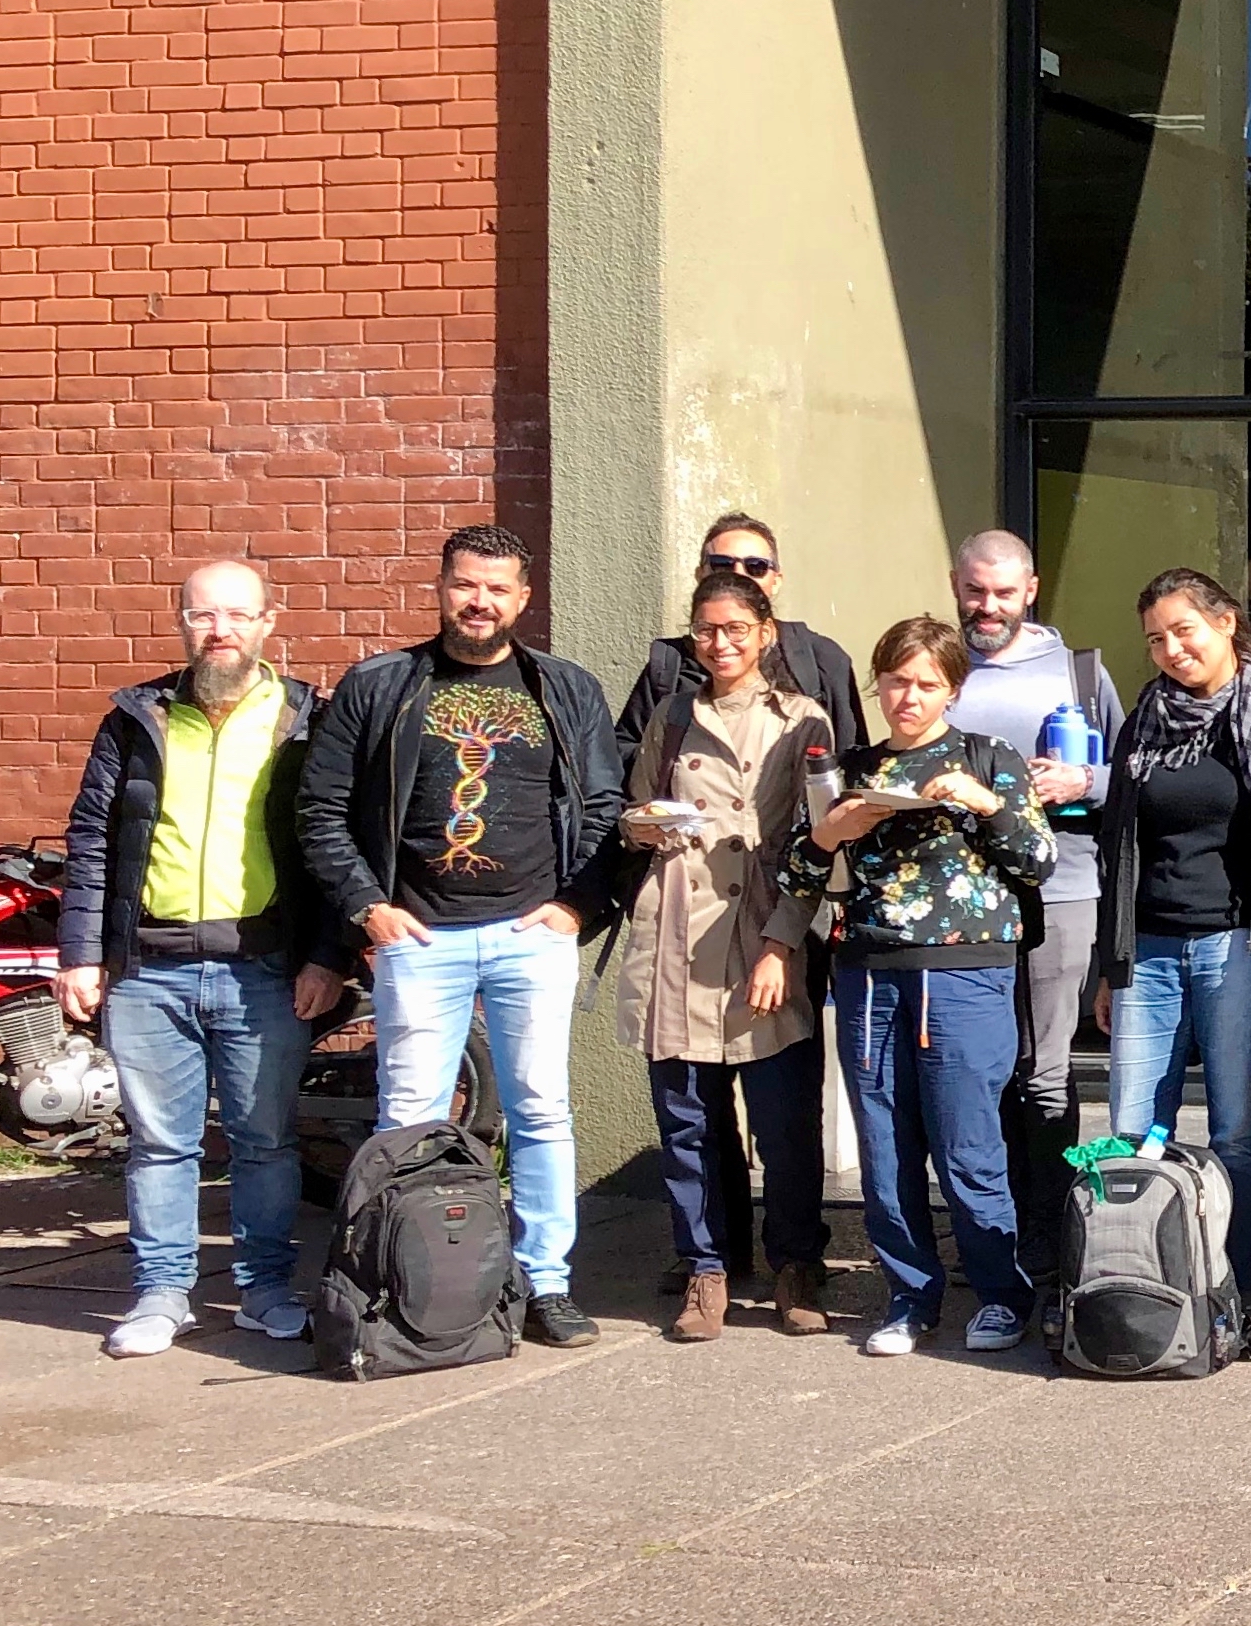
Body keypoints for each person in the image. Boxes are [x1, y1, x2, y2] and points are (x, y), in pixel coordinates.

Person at [298, 523, 623, 1350]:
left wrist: (579, 906)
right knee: (407, 1116)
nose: (479, 601)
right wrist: (368, 907)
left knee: (540, 1108)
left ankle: (545, 1279)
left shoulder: (564, 688)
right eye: (464, 584)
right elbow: (321, 809)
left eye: (496, 587)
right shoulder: (382, 685)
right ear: (440, 588)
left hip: (531, 932)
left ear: (523, 598)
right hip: (421, 936)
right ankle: (402, 1283)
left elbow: (604, 810)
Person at [60, 561, 349, 1358]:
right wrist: (83, 952)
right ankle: (161, 1292)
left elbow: (335, 847)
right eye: (202, 615)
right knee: (159, 1142)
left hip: (265, 966)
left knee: (264, 1140)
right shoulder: (135, 719)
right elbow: (92, 842)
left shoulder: (306, 722)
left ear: (267, 623)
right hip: (148, 969)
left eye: (236, 614)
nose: (219, 629)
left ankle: (264, 1287)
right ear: (182, 623)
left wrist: (328, 955)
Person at [614, 512, 866, 1303]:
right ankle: (708, 1266)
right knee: (688, 1118)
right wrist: (646, 829)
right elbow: (637, 805)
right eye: (705, 631)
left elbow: (821, 843)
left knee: (784, 1116)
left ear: (764, 632)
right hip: (681, 930)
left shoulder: (803, 718)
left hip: (765, 927)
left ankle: (796, 1260)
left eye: (734, 629)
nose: (719, 643)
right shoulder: (671, 715)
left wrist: (782, 941)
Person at [789, 615, 1057, 1359]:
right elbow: (799, 875)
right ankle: (909, 1295)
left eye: (927, 683)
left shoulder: (987, 757)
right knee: (885, 1148)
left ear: (953, 689)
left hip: (966, 971)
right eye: (897, 680)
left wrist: (984, 801)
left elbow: (1038, 859)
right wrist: (828, 833)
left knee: (968, 1143)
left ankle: (1002, 1293)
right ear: (878, 681)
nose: (910, 696)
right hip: (869, 971)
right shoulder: (848, 768)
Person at [1088, 569, 1251, 1296]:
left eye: (1183, 629)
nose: (1170, 649)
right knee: (1133, 1126)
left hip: (1239, 947)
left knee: (1236, 1131)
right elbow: (1117, 845)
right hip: (1150, 947)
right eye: (1156, 639)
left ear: (1226, 622)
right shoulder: (1145, 720)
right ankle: (1134, 1278)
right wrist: (1111, 960)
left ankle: (1224, 1282)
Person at [946, 529, 1126, 1329]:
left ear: (1032, 588)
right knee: (977, 1075)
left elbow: (1130, 772)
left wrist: (1084, 776)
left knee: (1045, 1076)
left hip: (1062, 893)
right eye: (976, 590)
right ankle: (992, 1237)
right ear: (957, 584)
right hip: (959, 904)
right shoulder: (940, 670)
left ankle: (1052, 1245)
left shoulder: (1080, 670)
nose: (988, 606)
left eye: (1003, 591)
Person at [615, 511, 869, 766]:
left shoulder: (820, 659)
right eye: (722, 564)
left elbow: (850, 760)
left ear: (776, 581)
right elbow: (623, 755)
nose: (739, 574)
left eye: (755, 566)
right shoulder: (670, 665)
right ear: (700, 574)